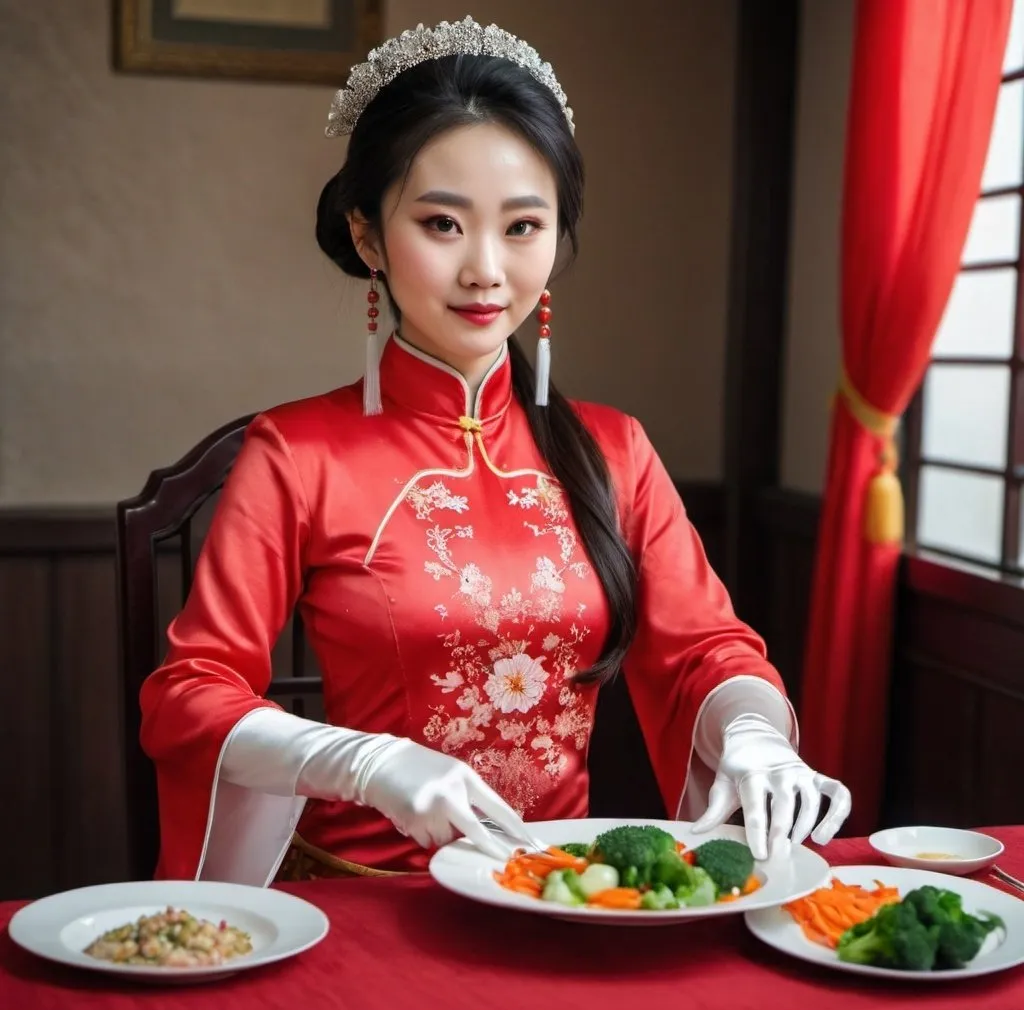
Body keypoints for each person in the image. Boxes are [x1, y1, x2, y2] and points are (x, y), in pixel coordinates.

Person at [139, 17, 851, 886]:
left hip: (567, 893)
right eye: (442, 224)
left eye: (522, 228)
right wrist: (361, 764)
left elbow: (710, 649)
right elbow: (192, 691)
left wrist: (750, 729)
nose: (486, 269)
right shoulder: (296, 453)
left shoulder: (615, 449)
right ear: (368, 237)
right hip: (368, 903)